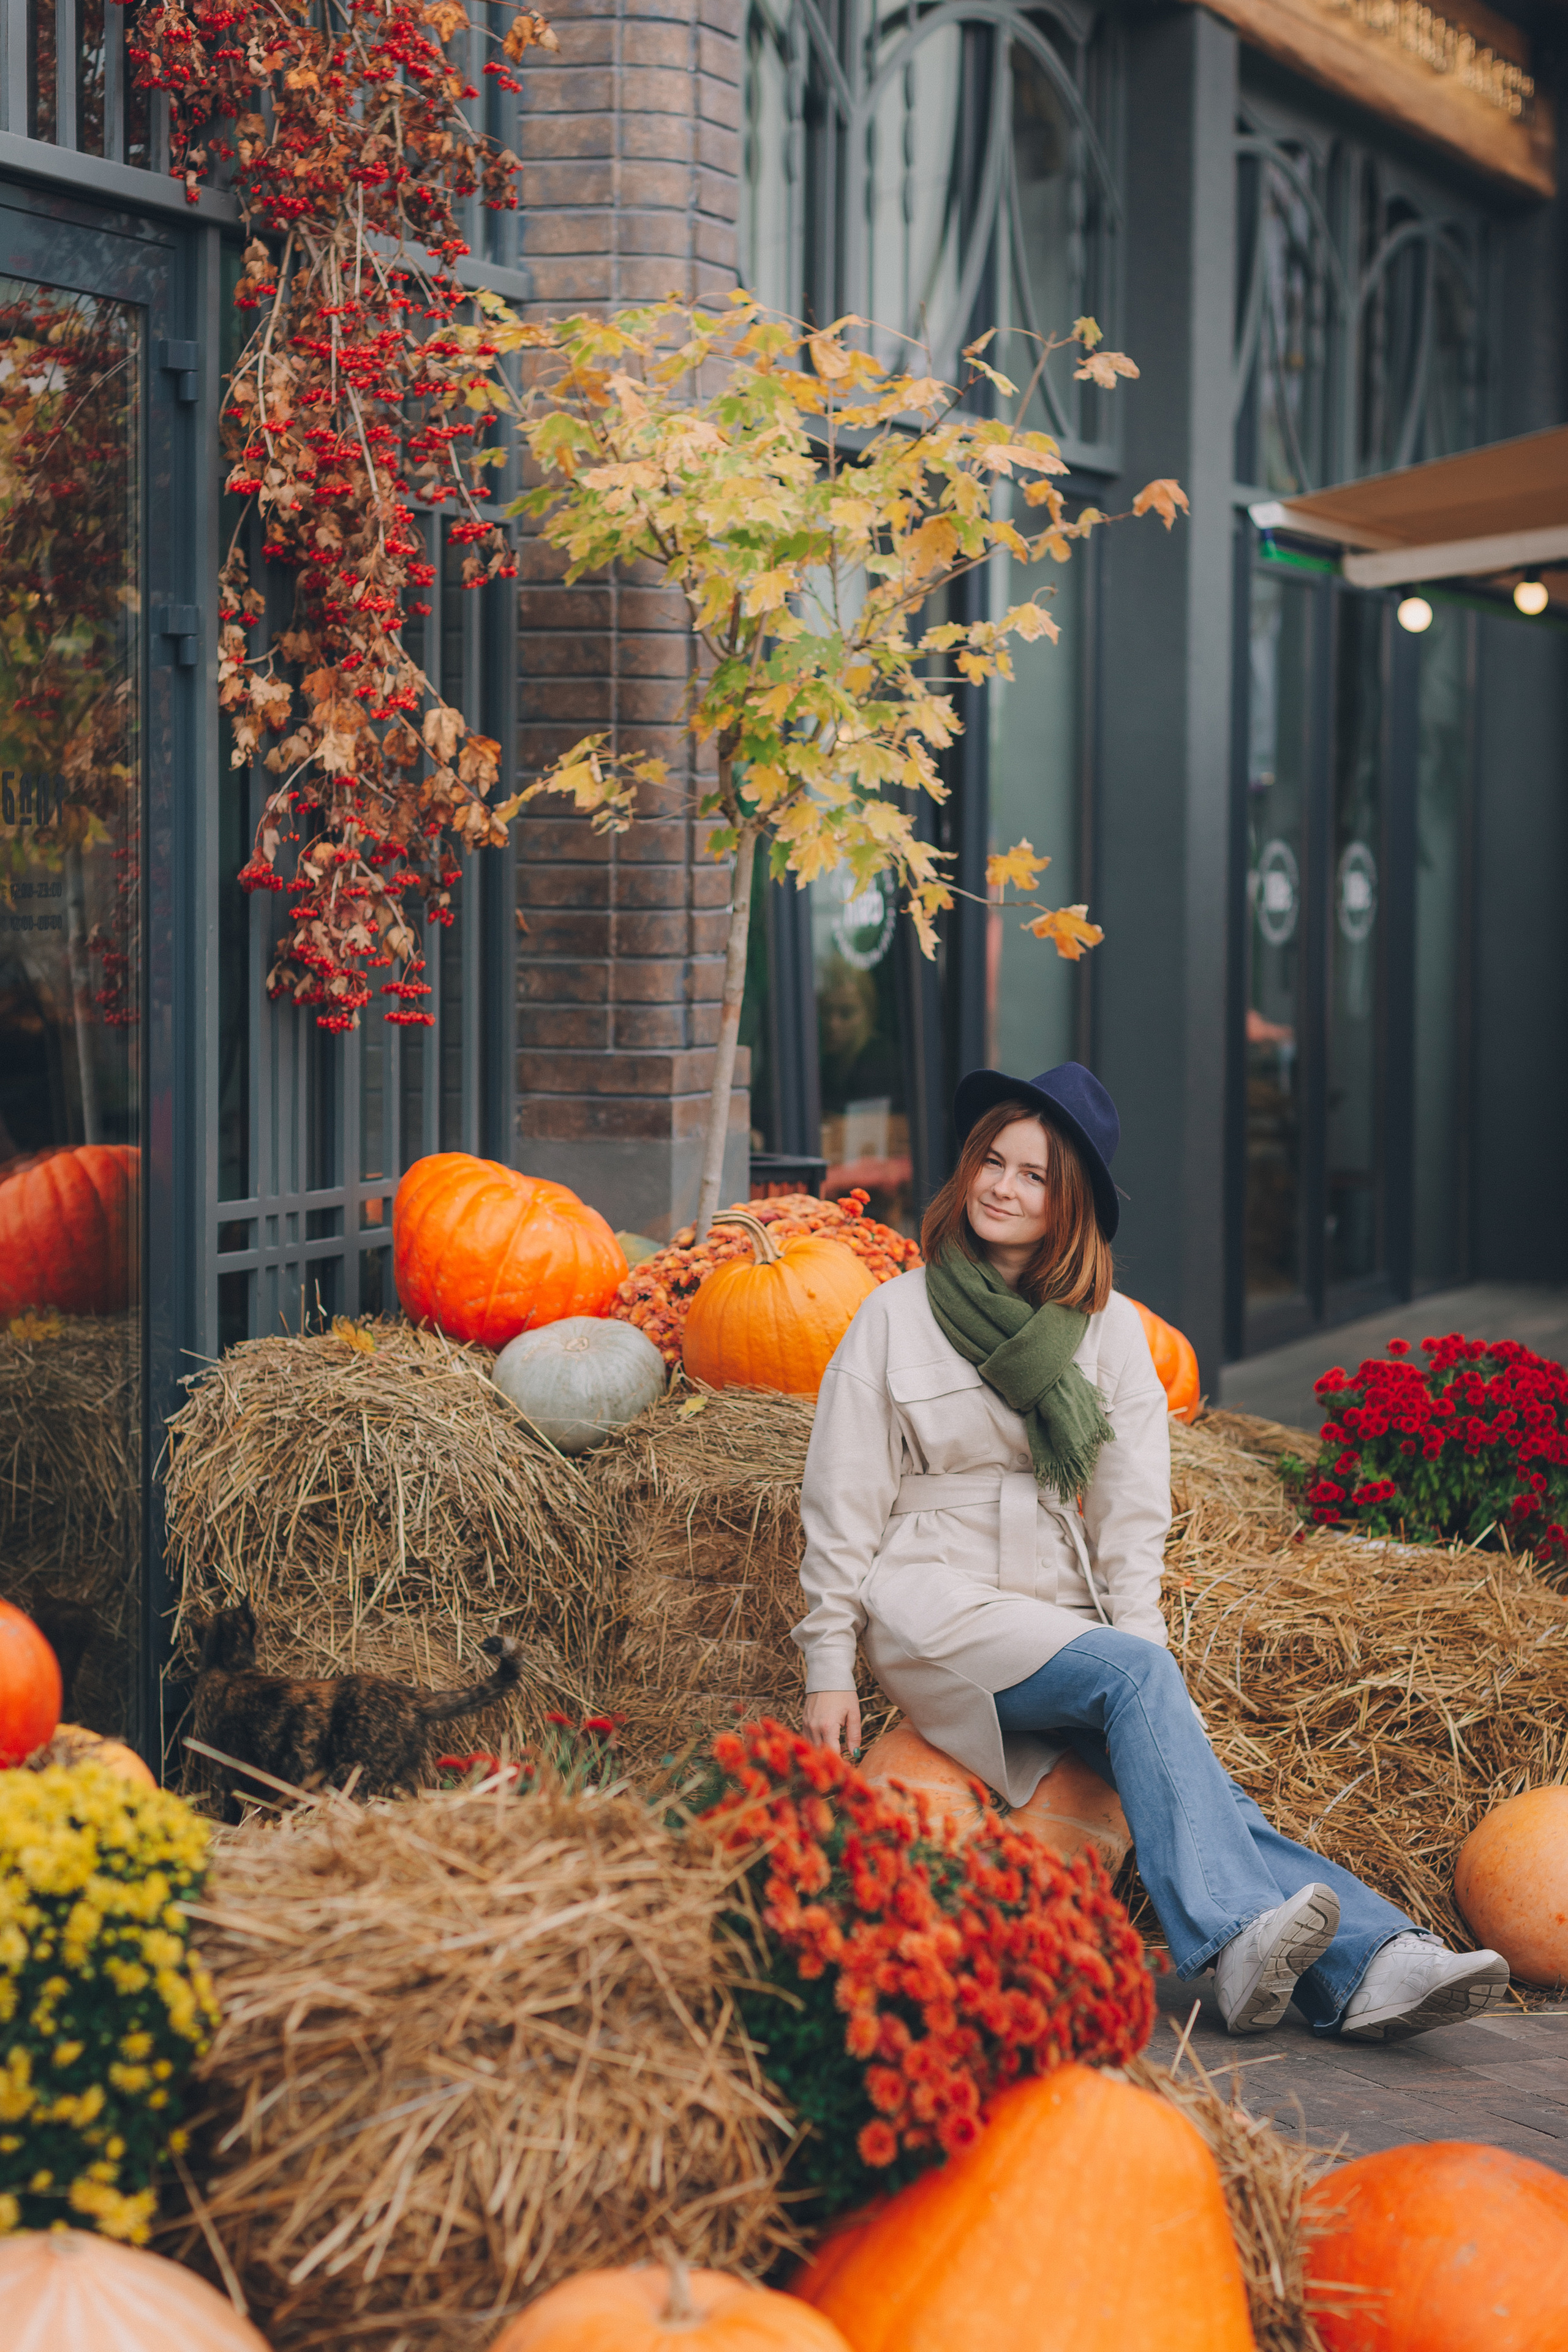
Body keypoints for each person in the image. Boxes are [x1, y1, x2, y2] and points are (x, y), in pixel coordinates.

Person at [794, 1061, 1510, 2041]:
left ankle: (1372, 1968)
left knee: (1192, 1773)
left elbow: (1131, 1518)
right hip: (933, 1604)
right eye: (992, 1162)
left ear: (1071, 1205)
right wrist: (828, 1663)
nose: (1003, 1187)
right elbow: (841, 1501)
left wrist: (1146, 1660)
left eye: (1035, 1176)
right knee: (1135, 1683)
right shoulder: (895, 1315)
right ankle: (1231, 1938)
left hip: (1057, 1613)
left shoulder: (1112, 1333)